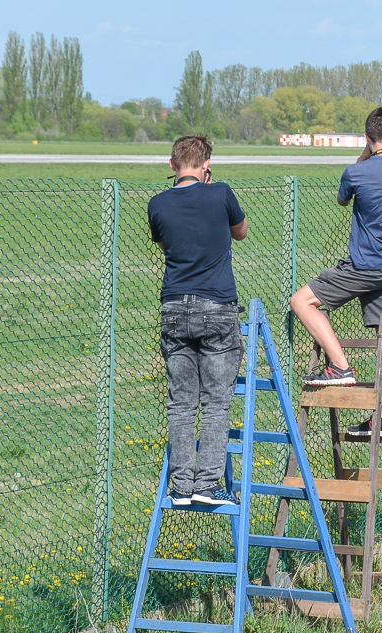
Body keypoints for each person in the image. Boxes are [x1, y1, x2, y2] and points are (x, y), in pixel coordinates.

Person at [289, 107, 382, 439]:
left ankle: (340, 365)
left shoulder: (355, 171)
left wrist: (367, 152)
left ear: (366, 139)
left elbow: (341, 200)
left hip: (363, 267)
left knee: (301, 302)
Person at [149, 135, 248, 506]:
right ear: (206, 164)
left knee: (181, 402)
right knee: (217, 401)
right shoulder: (221, 193)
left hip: (174, 308)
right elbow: (241, 232)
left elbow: (166, 245)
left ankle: (180, 487)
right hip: (217, 306)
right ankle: (208, 485)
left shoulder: (157, 204)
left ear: (171, 165)